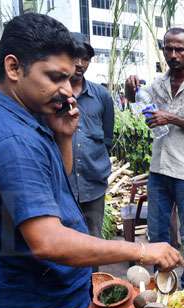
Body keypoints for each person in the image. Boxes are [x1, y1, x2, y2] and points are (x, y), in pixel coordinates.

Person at [0, 13, 184, 308]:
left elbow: (50, 193)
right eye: (55, 77)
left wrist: (63, 139)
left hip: (33, 294)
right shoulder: (12, 140)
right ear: (13, 67)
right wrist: (142, 249)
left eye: (70, 77)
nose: (68, 90)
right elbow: (47, 241)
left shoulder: (12, 119)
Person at [125, 27, 184, 288]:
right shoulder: (157, 85)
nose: (174, 54)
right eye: (169, 48)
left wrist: (172, 118)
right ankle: (163, 282)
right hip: (159, 168)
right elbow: (143, 115)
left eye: (180, 49)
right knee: (158, 231)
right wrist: (131, 92)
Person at [68, 33, 115, 252]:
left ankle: (94, 284)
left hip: (93, 183)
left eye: (85, 58)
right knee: (65, 240)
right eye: (75, 56)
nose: (79, 63)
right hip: (63, 183)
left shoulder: (101, 96)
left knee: (93, 241)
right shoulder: (53, 94)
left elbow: (107, 139)